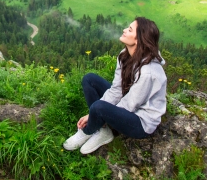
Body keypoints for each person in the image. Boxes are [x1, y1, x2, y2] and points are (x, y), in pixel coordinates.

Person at [63, 17, 167, 155]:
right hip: (127, 103)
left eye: (129, 29)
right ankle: (102, 130)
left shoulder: (148, 72)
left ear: (139, 40)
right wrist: (96, 114)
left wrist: (94, 115)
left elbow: (131, 104)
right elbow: (117, 89)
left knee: (98, 107)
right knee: (89, 79)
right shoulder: (125, 55)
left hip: (140, 122)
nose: (124, 30)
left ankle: (89, 130)